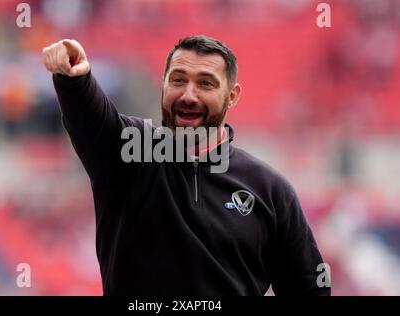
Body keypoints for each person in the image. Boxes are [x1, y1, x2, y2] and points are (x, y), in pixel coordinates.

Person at [42, 35, 331, 296]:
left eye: (205, 83)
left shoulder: (270, 190)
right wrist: (74, 79)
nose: (188, 95)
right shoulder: (127, 154)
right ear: (164, 84)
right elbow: (91, 118)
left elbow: (308, 288)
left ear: (232, 95)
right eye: (178, 80)